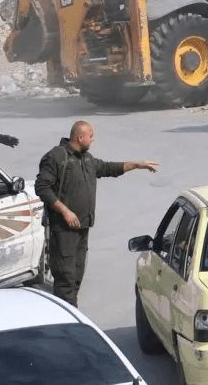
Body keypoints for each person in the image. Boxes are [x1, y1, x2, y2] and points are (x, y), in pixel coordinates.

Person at [35, 121, 159, 306]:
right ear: (80, 137)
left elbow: (109, 168)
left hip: (82, 229)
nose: (92, 140)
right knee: (65, 280)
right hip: (63, 231)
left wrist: (136, 165)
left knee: (76, 278)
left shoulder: (87, 159)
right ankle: (67, 320)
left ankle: (71, 314)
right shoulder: (56, 157)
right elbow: (42, 188)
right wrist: (65, 211)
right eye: (90, 136)